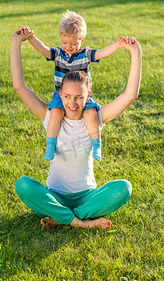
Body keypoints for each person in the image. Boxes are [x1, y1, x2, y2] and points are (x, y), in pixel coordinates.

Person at [11, 28, 142, 230]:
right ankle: (80, 222)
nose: (72, 103)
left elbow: (130, 95)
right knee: (23, 185)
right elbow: (20, 86)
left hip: (87, 196)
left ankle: (64, 217)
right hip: (54, 195)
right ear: (60, 95)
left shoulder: (96, 118)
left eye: (79, 97)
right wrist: (16, 42)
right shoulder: (50, 115)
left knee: (124, 188)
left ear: (88, 97)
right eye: (67, 97)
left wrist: (135, 52)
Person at [20, 10, 132, 162]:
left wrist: (117, 45)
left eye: (73, 43)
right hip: (61, 96)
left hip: (82, 97)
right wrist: (31, 37)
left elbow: (101, 53)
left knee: (91, 114)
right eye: (65, 42)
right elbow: (44, 49)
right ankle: (50, 145)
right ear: (61, 38)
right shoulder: (58, 53)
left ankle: (96, 144)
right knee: (55, 113)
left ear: (82, 40)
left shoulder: (85, 54)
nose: (68, 47)